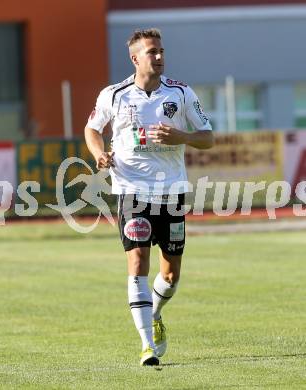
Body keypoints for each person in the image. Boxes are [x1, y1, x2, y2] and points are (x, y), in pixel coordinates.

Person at [84, 28, 213, 366]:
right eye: (152, 51)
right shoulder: (114, 95)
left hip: (171, 191)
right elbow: (93, 129)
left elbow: (207, 138)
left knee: (171, 276)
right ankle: (146, 346)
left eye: (161, 51)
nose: (159, 56)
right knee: (138, 262)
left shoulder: (181, 93)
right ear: (135, 58)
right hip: (131, 191)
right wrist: (99, 153)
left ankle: (155, 313)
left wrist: (180, 135)